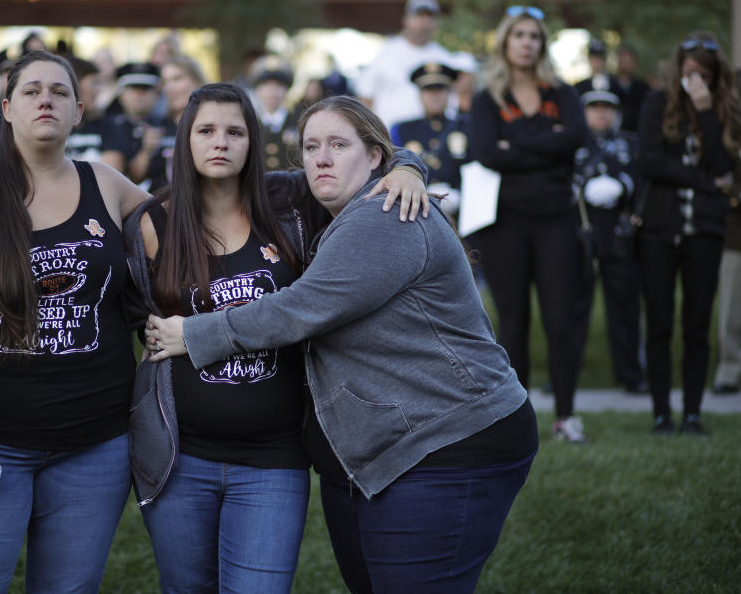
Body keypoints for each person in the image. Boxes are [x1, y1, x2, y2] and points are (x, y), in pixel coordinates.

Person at [145, 95, 537, 594]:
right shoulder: (326, 204)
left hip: (447, 443)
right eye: (311, 147)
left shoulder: (385, 214)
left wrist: (195, 333)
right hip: (391, 448)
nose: (322, 158)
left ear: (374, 157)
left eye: (337, 144)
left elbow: (300, 308)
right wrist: (409, 164)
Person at [124, 83, 430, 593]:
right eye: (206, 131)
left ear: (252, 141)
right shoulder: (152, 223)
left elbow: (377, 152)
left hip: (274, 457)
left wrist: (406, 169)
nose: (220, 142)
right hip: (181, 456)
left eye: (235, 131)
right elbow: (136, 322)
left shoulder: (290, 200)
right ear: (185, 140)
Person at [0, 50, 151, 592]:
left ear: (79, 112)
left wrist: (391, 165)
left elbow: (193, 218)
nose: (46, 98)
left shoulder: (107, 184)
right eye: (32, 91)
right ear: (8, 109)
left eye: (60, 92)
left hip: (97, 446)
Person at [468, 6, 587, 442]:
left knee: (560, 321)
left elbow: (577, 137)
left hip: (556, 220)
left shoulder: (563, 93)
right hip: (505, 224)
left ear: (542, 44)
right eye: (518, 34)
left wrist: (515, 142)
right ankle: (517, 422)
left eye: (534, 36)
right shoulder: (487, 99)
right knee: (512, 321)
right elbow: (486, 152)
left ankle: (566, 416)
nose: (526, 42)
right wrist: (548, 145)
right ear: (505, 42)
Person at [637, 32, 741, 434]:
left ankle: (694, 413)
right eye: (688, 72)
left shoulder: (723, 110)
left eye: (702, 74)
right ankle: (662, 413)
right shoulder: (655, 104)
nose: (693, 81)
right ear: (677, 69)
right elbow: (649, 162)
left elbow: (723, 168)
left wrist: (704, 112)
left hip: (704, 231)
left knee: (697, 325)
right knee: (660, 324)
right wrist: (703, 182)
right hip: (658, 232)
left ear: (714, 77)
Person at [572, 89, 647, 394]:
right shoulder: (572, 143)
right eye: (594, 107)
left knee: (626, 308)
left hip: (619, 236)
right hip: (582, 235)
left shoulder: (630, 144)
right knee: (572, 309)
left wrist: (623, 185)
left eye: (607, 107)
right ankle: (565, 374)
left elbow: (642, 178)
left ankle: (631, 375)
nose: (601, 113)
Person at [356, 0, 451, 129]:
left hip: (432, 138)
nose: (424, 23)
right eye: (419, 16)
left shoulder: (442, 56)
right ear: (406, 20)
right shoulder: (386, 53)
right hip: (390, 138)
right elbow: (366, 96)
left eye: (429, 17)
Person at [712, 85, 741, 395]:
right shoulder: (731, 138)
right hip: (739, 235)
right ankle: (729, 371)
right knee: (732, 310)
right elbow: (718, 179)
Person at [391, 62, 466, 217]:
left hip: (463, 212)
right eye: (428, 90)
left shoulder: (466, 126)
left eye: (440, 90)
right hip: (415, 211)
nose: (434, 96)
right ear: (420, 94)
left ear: (449, 93)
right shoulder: (402, 129)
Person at [131, 55, 206, 192]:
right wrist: (147, 151)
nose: (170, 87)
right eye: (165, 82)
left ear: (197, 80)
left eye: (177, 79)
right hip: (157, 204)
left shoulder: (211, 126)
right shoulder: (153, 125)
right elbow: (134, 178)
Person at [104, 62, 164, 178]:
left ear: (157, 95)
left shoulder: (172, 126)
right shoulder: (106, 126)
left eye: (145, 88)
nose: (139, 94)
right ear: (120, 95)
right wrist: (147, 151)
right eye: (133, 88)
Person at [248, 54, 300, 171]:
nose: (272, 91)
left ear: (287, 89)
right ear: (257, 90)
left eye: (279, 85)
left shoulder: (299, 121)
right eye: (266, 85)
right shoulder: (249, 123)